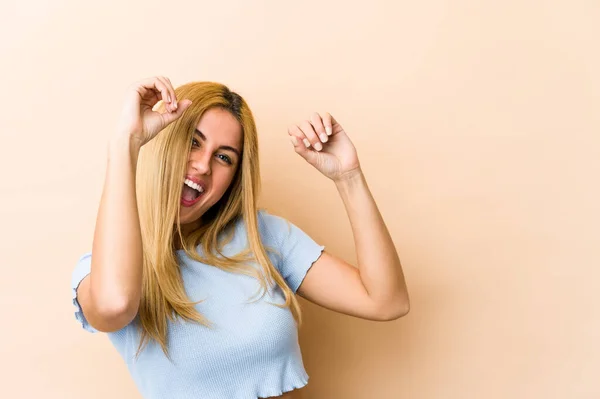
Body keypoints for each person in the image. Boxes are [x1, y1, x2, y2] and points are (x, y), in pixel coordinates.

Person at [71, 76, 410, 399]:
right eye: (193, 142)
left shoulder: (261, 236)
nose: (203, 166)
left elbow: (385, 300)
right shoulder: (106, 274)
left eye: (223, 157)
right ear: (162, 142)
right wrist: (125, 143)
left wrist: (348, 177)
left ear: (234, 178)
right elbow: (114, 305)